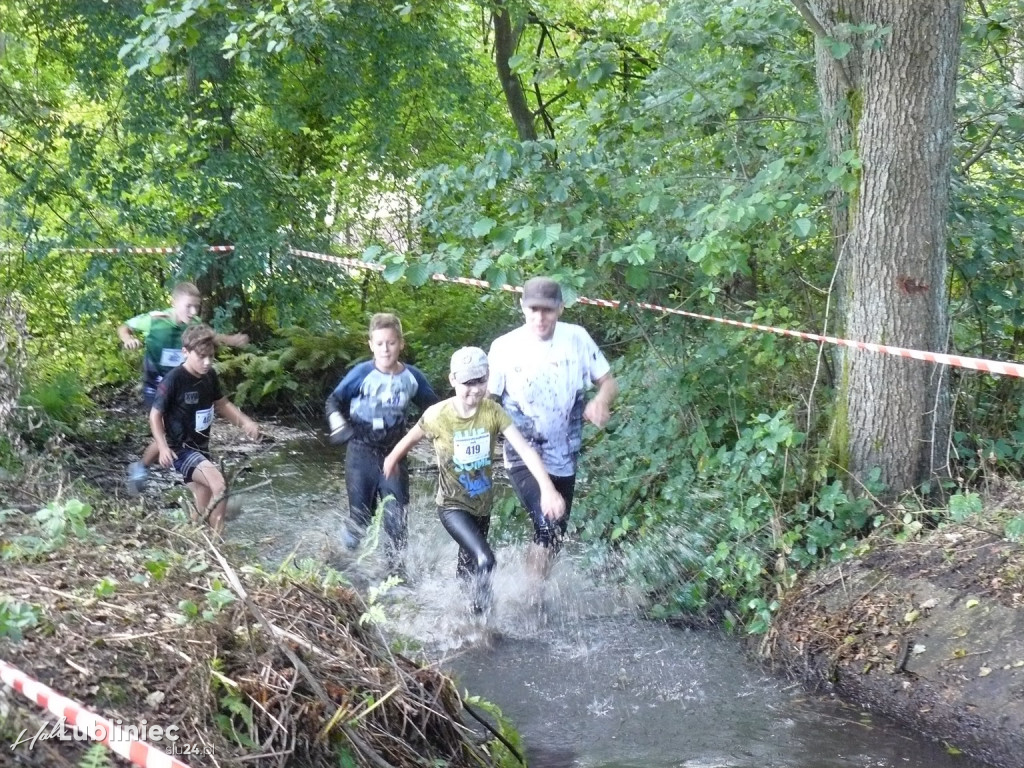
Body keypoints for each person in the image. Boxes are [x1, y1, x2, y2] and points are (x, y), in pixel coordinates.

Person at [383, 347, 565, 614]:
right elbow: (410, 439)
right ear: (452, 380)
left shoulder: (493, 412)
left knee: (469, 567)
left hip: (482, 506)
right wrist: (391, 460)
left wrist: (548, 489)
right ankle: (484, 623)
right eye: (467, 382)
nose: (474, 389)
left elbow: (525, 450)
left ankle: (461, 616)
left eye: (480, 381)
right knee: (485, 559)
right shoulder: (438, 415)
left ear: (488, 377)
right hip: (451, 506)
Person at [487, 276, 619, 579]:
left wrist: (601, 400)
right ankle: (533, 602)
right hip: (522, 453)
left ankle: (529, 584)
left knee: (555, 532)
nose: (540, 317)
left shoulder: (577, 338)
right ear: (522, 307)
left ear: (560, 308)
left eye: (547, 310)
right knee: (547, 524)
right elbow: (487, 403)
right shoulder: (505, 347)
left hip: (564, 454)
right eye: (533, 309)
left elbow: (609, 382)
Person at [325, 313, 438, 572]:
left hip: (395, 454)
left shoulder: (413, 378)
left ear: (401, 344)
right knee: (360, 519)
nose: (385, 349)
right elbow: (333, 401)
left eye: (391, 343)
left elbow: (434, 410)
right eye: (380, 344)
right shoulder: (361, 374)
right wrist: (339, 426)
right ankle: (337, 568)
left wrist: (436, 438)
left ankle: (395, 576)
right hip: (361, 452)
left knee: (396, 520)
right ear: (371, 345)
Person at [119, 282, 249, 494]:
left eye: (197, 307)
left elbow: (212, 337)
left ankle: (198, 486)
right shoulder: (155, 319)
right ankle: (144, 468)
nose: (193, 311)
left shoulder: (194, 323)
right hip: (156, 384)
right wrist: (128, 338)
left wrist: (232, 340)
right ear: (174, 302)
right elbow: (124, 327)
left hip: (179, 385)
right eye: (188, 306)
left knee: (177, 433)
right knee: (169, 430)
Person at [150, 324, 260, 533]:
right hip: (181, 450)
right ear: (185, 352)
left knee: (203, 497)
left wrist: (245, 422)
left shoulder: (210, 376)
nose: (207, 362)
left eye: (211, 356)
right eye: (201, 357)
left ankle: (191, 537)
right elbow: (155, 415)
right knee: (220, 485)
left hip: (202, 449)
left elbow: (222, 404)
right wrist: (163, 448)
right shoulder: (173, 380)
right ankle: (218, 542)